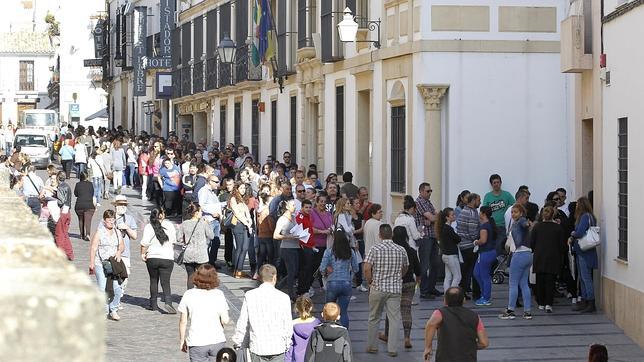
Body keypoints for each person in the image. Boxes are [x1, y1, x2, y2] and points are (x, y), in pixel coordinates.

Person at [364, 224, 409, 357]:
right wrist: (399, 276)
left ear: (380, 235)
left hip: (378, 287)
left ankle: (372, 346)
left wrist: (370, 281)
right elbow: (405, 266)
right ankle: (392, 349)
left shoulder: (375, 248)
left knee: (374, 317)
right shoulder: (401, 249)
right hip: (395, 288)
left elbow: (367, 268)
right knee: (394, 319)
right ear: (392, 235)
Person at [232, 264, 293, 361]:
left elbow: (243, 322)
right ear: (274, 278)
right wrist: (287, 343)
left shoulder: (250, 295)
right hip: (278, 346)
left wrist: (238, 342)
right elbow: (287, 324)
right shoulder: (284, 297)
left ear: (260, 278)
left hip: (258, 346)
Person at [178, 264, 230, 362]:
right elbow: (225, 320)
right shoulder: (219, 294)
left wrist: (182, 340)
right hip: (217, 340)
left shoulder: (189, 294)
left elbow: (183, 321)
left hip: (197, 341)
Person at [380, 226, 421, 349]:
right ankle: (407, 338)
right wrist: (417, 282)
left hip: (394, 283)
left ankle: (387, 335)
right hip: (409, 283)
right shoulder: (412, 251)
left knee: (391, 310)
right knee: (406, 310)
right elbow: (418, 270)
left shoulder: (391, 250)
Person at [423, 287, 489, 362]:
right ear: (464, 300)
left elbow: (431, 324)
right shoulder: (475, 316)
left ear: (445, 301)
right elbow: (484, 343)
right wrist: (468, 346)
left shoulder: (440, 313)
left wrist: (428, 347)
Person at [89, 210, 125, 321]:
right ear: (104, 221)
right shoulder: (99, 232)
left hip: (113, 264)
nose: (111, 222)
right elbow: (94, 247)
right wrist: (91, 263)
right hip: (101, 263)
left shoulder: (117, 232)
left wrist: (119, 252)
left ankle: (113, 309)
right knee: (102, 287)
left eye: (113, 220)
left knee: (117, 288)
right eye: (109, 220)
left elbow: (122, 246)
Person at [319, 230, 359, 328]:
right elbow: (356, 269)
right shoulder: (350, 252)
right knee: (343, 312)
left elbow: (322, 268)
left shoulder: (329, 251)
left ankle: (329, 331)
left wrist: (326, 271)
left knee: (329, 310)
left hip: (332, 283)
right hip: (346, 283)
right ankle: (344, 334)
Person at [499, 204, 533, 320]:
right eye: (512, 212)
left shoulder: (520, 221)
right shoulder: (517, 222)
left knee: (513, 284)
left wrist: (527, 223)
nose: (513, 214)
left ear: (521, 213)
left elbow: (524, 224)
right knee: (524, 284)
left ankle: (510, 310)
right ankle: (527, 311)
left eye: (516, 212)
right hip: (528, 254)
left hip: (519, 255)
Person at [140, 208, 177, 313]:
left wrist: (142, 254)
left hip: (152, 257)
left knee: (153, 280)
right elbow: (173, 242)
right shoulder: (170, 225)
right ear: (162, 215)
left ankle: (153, 304)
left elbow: (144, 243)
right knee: (166, 282)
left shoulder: (148, 226)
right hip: (167, 257)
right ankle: (168, 303)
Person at [531, 206, 564, 313]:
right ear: (553, 215)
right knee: (550, 281)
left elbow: (532, 243)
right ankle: (549, 304)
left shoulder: (537, 227)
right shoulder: (558, 228)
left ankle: (541, 302)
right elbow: (561, 245)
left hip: (539, 256)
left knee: (540, 281)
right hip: (553, 257)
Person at [569, 196, 599, 313]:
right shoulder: (590, 216)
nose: (576, 207)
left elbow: (580, 232)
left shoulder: (585, 217)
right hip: (584, 250)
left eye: (577, 205)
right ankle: (586, 300)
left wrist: (572, 233)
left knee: (585, 278)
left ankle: (590, 302)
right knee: (583, 277)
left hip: (584, 251)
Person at [178, 203, 215, 289]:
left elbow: (178, 238)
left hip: (189, 254)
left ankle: (190, 296)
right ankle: (200, 295)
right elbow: (211, 236)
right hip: (201, 255)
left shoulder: (185, 223)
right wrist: (208, 224)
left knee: (190, 277)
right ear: (196, 212)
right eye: (201, 211)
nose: (202, 213)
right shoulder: (203, 223)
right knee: (202, 277)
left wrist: (185, 240)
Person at [415, 182, 441, 299]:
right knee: (425, 265)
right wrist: (433, 218)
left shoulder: (428, 202)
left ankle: (431, 287)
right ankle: (424, 290)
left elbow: (436, 216)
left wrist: (433, 218)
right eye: (427, 191)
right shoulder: (419, 202)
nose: (430, 193)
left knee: (435, 263)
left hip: (433, 235)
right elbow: (432, 217)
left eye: (431, 191)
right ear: (421, 191)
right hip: (425, 237)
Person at [112, 195, 138, 305]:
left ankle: (119, 297)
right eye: (120, 205)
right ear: (115, 206)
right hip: (112, 252)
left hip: (125, 253)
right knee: (112, 277)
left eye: (124, 205)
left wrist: (127, 228)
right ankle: (113, 300)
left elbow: (135, 236)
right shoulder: (110, 217)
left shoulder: (129, 219)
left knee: (125, 277)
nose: (122, 207)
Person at [274, 199, 301, 300]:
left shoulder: (294, 217)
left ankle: (277, 288)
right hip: (287, 248)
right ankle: (291, 294)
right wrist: (289, 237)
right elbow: (276, 235)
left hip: (295, 247)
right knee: (291, 271)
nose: (295, 207)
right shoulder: (282, 219)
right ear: (287, 207)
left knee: (294, 271)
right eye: (293, 205)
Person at [456, 193, 481, 300]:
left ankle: (463, 292)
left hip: (464, 245)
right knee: (470, 271)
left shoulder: (467, 211)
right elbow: (472, 232)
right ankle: (467, 292)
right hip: (469, 246)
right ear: (473, 200)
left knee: (466, 271)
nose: (480, 202)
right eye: (479, 200)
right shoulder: (471, 213)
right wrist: (479, 239)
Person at [472, 206, 498, 306]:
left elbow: (483, 240)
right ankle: (484, 295)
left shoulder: (484, 226)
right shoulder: (489, 224)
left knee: (484, 276)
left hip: (486, 253)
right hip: (487, 252)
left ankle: (486, 298)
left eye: (480, 212)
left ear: (483, 213)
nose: (479, 214)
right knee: (476, 273)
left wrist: (475, 242)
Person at [198, 175, 223, 268]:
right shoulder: (203, 191)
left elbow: (215, 204)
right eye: (216, 182)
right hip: (209, 220)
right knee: (207, 242)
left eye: (218, 181)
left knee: (216, 242)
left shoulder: (212, 192)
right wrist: (212, 213)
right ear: (209, 181)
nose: (218, 184)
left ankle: (212, 262)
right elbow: (201, 205)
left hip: (216, 220)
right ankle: (205, 263)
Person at [229, 182, 253, 278]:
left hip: (246, 225)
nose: (243, 190)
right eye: (241, 188)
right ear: (237, 188)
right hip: (238, 225)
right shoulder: (233, 198)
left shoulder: (243, 199)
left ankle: (240, 269)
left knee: (245, 248)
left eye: (244, 188)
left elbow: (247, 212)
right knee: (239, 247)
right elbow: (237, 213)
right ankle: (237, 270)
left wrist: (250, 221)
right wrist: (246, 222)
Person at [286, 296, 320, 362]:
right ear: (311, 308)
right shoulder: (317, 323)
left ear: (296, 308)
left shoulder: (292, 324)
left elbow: (289, 346)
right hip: (313, 358)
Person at [436, 208, 461, 294]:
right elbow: (458, 239)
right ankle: (452, 295)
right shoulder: (449, 229)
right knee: (458, 276)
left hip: (445, 255)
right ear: (447, 217)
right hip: (451, 256)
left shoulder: (443, 228)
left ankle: (447, 295)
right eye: (452, 215)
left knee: (448, 277)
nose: (454, 216)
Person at [54, 171, 74, 260]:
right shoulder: (67, 186)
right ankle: (69, 253)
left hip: (62, 211)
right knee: (65, 233)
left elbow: (61, 200)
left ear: (58, 178)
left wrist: (54, 196)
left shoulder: (60, 187)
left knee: (59, 233)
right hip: (68, 211)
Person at [74, 171, 95, 241]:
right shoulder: (90, 184)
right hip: (89, 205)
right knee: (88, 220)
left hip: (79, 205)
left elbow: (75, 194)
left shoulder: (77, 184)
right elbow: (92, 193)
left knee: (81, 219)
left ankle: (81, 234)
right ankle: (88, 234)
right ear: (87, 177)